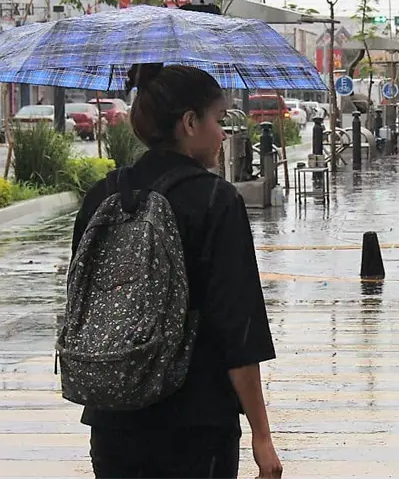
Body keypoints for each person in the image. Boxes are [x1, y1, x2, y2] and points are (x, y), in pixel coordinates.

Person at [72, 64, 283, 479]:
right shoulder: (215, 200)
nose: (223, 134)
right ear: (189, 123)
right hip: (196, 424)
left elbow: (81, 299)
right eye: (218, 120)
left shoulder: (103, 194)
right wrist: (262, 435)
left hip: (113, 418)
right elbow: (238, 328)